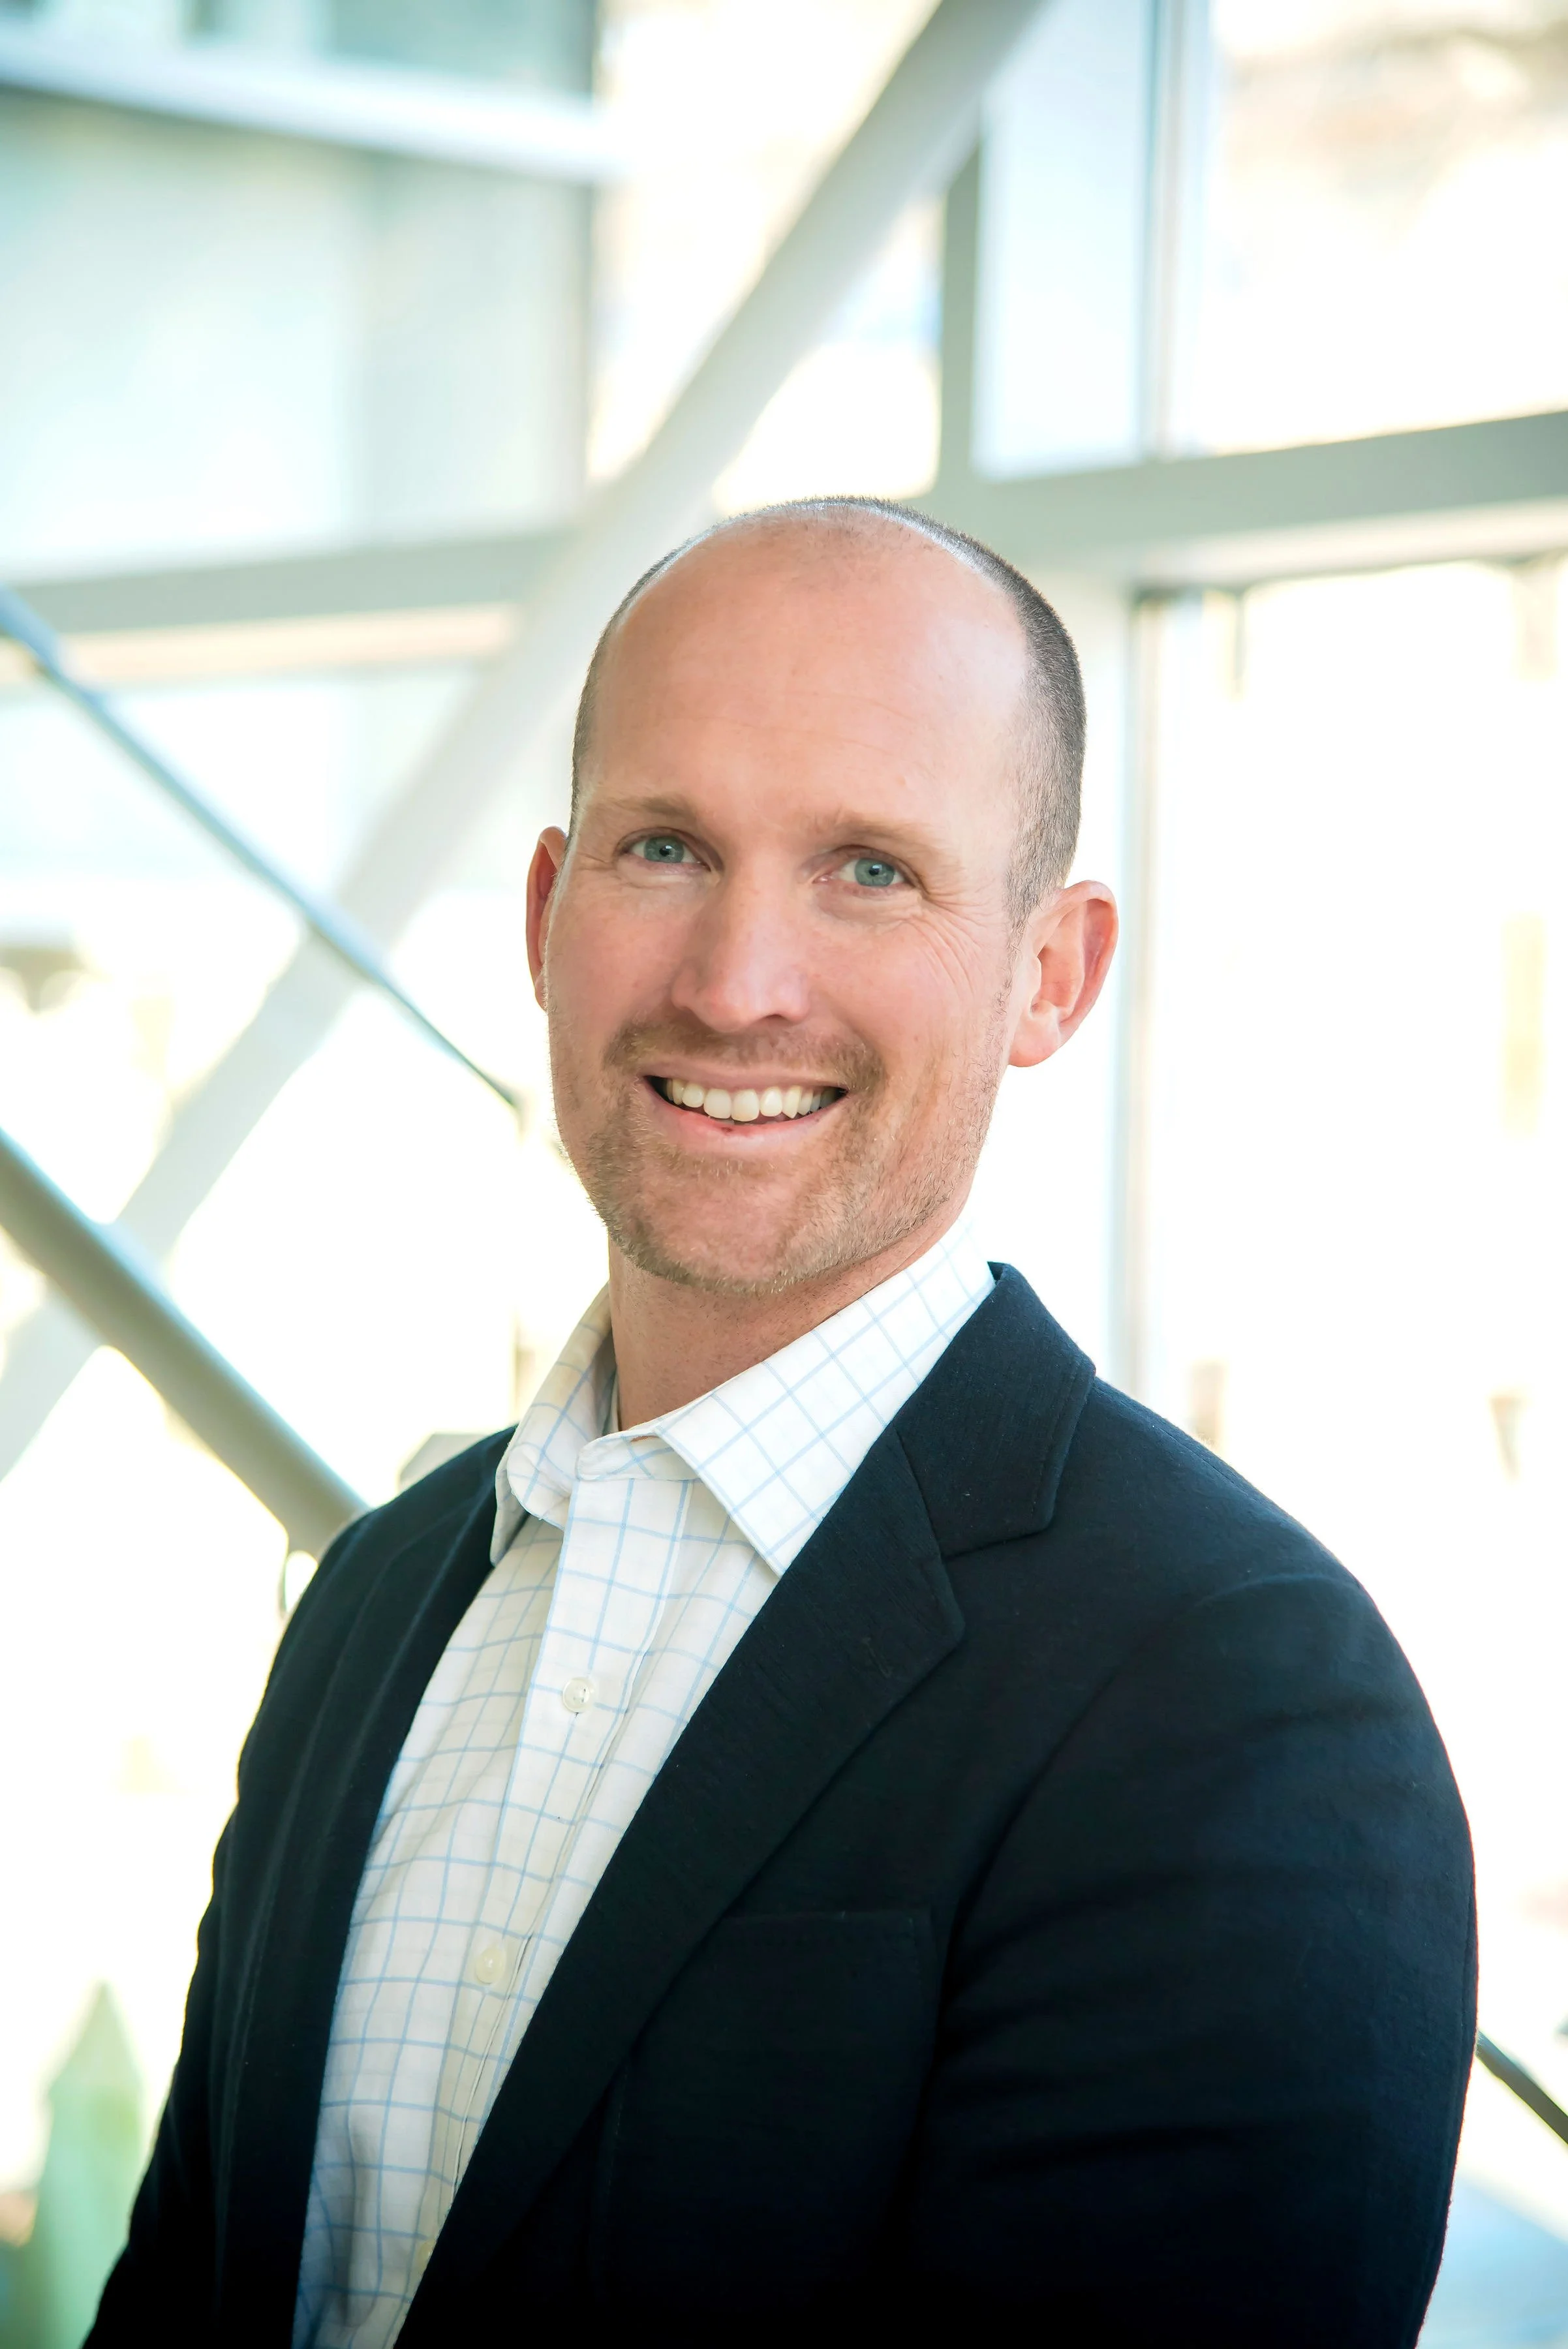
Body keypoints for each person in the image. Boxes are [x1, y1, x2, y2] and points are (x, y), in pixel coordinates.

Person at [90, 499, 1474, 2348]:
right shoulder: (367, 1609)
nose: (737, 984)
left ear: (1050, 976)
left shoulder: (1242, 1704)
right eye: (664, 847)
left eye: (872, 871)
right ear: (543, 910)